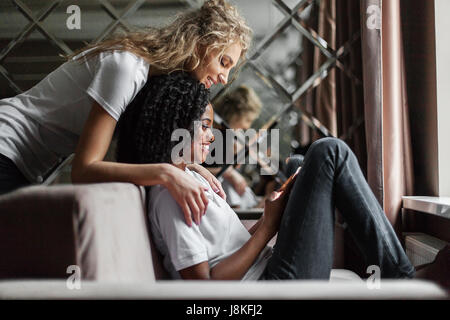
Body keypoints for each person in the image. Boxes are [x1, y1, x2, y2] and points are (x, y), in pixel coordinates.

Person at [117, 71, 416, 280]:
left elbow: (226, 247)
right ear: (176, 129)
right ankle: (402, 277)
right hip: (272, 285)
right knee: (329, 151)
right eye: (205, 126)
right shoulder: (172, 195)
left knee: (298, 164)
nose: (212, 137)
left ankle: (396, 272)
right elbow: (203, 286)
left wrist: (265, 218)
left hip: (271, 270)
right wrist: (268, 227)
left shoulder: (187, 179)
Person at [0, 0, 251, 227]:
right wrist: (168, 173)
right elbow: (84, 171)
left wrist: (191, 168)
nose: (224, 78)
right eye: (224, 62)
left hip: (24, 165)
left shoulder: (153, 82)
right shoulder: (127, 69)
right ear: (198, 45)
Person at [205, 85, 262, 208]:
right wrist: (228, 172)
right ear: (235, 114)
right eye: (247, 120)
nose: (248, 126)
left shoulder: (233, 137)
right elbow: (195, 167)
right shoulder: (210, 132)